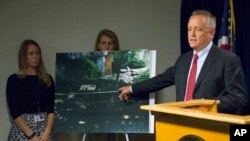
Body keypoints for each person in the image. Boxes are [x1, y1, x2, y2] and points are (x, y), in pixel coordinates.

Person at [118, 10, 248, 115]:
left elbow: (239, 99)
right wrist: (131, 88)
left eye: (198, 29)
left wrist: (208, 104)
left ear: (211, 33)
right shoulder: (183, 60)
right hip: (183, 124)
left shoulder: (228, 59)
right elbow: (160, 80)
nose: (192, 34)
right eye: (189, 29)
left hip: (213, 126)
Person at [6, 39, 55, 140]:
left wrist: (47, 131)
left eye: (37, 53)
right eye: (31, 53)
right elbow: (15, 112)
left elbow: (52, 108)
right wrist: (32, 136)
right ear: (23, 56)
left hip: (44, 132)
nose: (35, 56)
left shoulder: (47, 79)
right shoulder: (14, 80)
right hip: (23, 131)